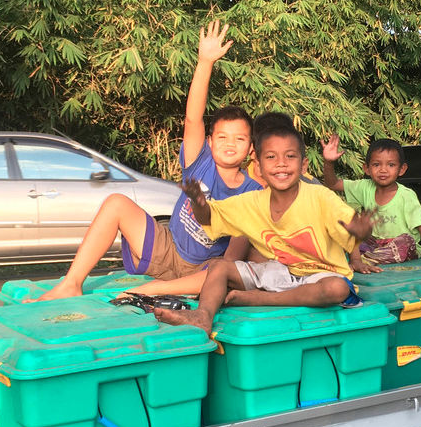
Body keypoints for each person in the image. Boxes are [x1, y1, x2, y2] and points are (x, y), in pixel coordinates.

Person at [30, 20, 261, 302]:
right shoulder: (199, 162)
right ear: (210, 142)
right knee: (116, 203)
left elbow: (232, 260)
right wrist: (205, 62)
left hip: (202, 270)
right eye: (222, 137)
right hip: (167, 249)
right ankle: (71, 283)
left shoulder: (253, 193)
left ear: (251, 148)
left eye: (239, 139)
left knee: (224, 271)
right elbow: (193, 118)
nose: (230, 144)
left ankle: (150, 290)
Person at [152, 124, 376, 333]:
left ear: (303, 164)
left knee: (337, 289)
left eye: (290, 156)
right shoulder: (252, 201)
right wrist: (199, 204)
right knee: (219, 267)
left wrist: (362, 230)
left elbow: (353, 229)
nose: (281, 163)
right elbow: (210, 218)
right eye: (271, 157)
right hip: (280, 272)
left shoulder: (320, 197)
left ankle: (257, 298)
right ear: (258, 165)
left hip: (320, 276)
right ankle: (203, 316)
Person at [319, 135, 421, 273]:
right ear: (366, 168)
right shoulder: (364, 187)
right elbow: (333, 184)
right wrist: (328, 163)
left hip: (400, 248)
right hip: (374, 245)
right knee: (350, 230)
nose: (383, 170)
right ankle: (358, 259)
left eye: (391, 165)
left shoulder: (407, 196)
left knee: (406, 241)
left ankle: (358, 260)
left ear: (401, 169)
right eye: (376, 165)